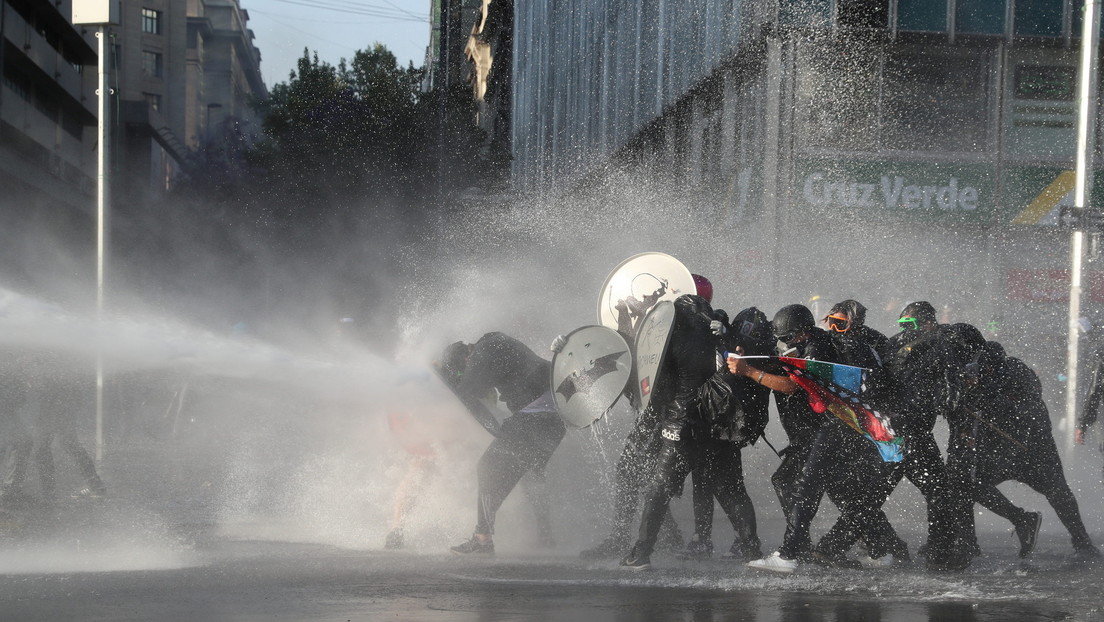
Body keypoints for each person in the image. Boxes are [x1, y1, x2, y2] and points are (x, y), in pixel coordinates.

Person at [730, 304, 899, 573]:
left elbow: (792, 385)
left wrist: (749, 371)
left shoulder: (818, 349)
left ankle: (790, 554)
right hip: (838, 428)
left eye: (786, 338)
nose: (783, 343)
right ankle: (881, 548)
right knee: (841, 490)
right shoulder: (815, 343)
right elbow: (782, 362)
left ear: (802, 333)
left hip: (836, 426)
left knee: (805, 485)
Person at [579, 274, 718, 560]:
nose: (649, 299)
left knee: (661, 478)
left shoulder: (697, 325)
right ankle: (656, 535)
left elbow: (641, 353)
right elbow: (632, 349)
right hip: (662, 412)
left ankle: (677, 539)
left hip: (680, 414)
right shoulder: (672, 321)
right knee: (637, 472)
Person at [619, 293, 727, 570]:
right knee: (722, 489)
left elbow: (649, 382)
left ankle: (640, 553)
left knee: (658, 490)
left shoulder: (674, 338)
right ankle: (746, 546)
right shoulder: (713, 335)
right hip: (712, 426)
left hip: (680, 425)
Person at [963, 341, 1098, 559]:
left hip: (1033, 450)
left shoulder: (1015, 371)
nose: (984, 372)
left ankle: (1082, 541)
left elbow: (1026, 409)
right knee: (972, 485)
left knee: (1059, 493)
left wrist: (991, 400)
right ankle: (1014, 523)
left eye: (986, 368)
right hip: (1000, 450)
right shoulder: (983, 377)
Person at [441, 332, 566, 555]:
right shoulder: (497, 343)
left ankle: (482, 540)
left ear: (466, 358)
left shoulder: (482, 352)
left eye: (463, 368)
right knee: (529, 475)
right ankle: (545, 536)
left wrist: (450, 379)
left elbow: (467, 391)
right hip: (554, 418)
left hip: (536, 416)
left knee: (487, 467)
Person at [679, 306, 772, 561]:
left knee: (729, 486)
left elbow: (752, 349)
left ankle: (746, 542)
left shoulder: (757, 341)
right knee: (704, 480)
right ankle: (706, 539)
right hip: (713, 419)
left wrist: (730, 335)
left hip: (727, 423)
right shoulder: (714, 326)